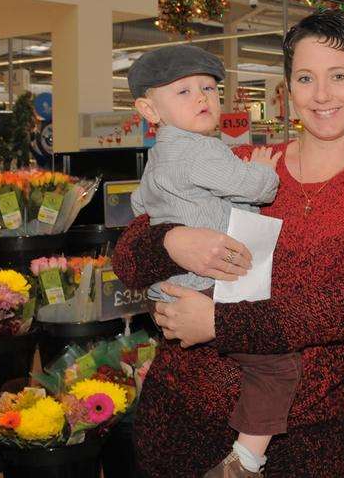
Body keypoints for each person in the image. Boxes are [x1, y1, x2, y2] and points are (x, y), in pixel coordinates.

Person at [112, 11, 344, 477]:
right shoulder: (242, 163)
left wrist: (219, 322)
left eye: (339, 76)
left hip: (301, 434)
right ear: (288, 89)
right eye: (306, 78)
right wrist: (173, 242)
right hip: (181, 415)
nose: (322, 95)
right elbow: (127, 257)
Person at [126, 45, 294, 476]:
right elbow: (257, 189)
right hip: (209, 285)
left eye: (208, 88)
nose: (201, 97)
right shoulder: (195, 150)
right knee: (278, 366)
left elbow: (139, 201)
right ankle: (246, 459)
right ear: (150, 108)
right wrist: (263, 169)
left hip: (174, 286)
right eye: (183, 91)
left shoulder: (160, 155)